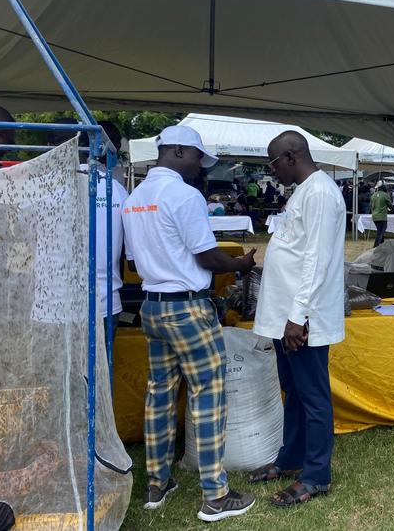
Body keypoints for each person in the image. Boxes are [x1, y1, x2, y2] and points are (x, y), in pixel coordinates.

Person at [122, 125, 257, 522]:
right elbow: (208, 258)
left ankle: (157, 482)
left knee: (159, 394)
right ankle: (216, 495)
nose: (201, 167)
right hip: (188, 309)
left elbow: (132, 263)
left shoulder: (134, 199)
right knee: (209, 395)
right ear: (179, 151)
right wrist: (240, 264)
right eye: (199, 158)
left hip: (153, 308)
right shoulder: (185, 195)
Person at [249, 131, 345, 507]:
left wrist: (297, 316)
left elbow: (316, 261)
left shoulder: (320, 193)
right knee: (295, 393)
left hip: (302, 319)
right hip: (285, 316)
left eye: (273, 163)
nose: (273, 172)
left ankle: (317, 475)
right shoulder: (303, 192)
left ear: (290, 157)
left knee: (314, 398)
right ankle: (291, 460)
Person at [48, 118, 129, 321]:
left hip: (52, 302)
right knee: (103, 354)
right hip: (104, 302)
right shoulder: (115, 189)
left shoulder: (42, 187)